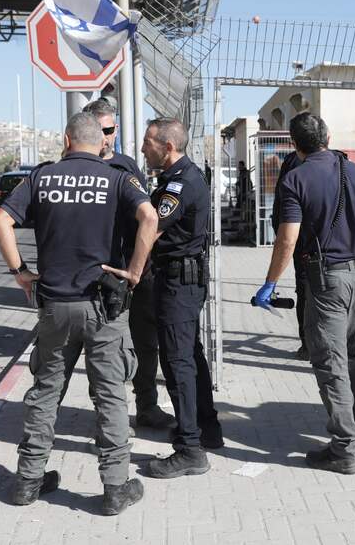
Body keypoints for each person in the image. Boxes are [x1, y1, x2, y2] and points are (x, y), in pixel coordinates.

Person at [0, 112, 158, 515]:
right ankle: (116, 487)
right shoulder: (118, 178)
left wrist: (20, 273)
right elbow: (150, 217)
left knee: (46, 392)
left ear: (66, 139)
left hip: (55, 305)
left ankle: (28, 480)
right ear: (101, 142)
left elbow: (0, 219)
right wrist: (134, 272)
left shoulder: (41, 177)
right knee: (110, 395)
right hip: (105, 306)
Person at [254, 112, 355, 475]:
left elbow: (287, 238)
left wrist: (270, 282)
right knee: (353, 356)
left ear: (295, 144)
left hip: (328, 283)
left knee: (331, 362)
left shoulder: (295, 178)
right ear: (327, 136)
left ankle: (344, 448)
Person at [137, 117, 223, 479]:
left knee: (177, 363)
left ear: (167, 147)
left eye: (148, 143)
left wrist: (132, 271)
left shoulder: (181, 183)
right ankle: (206, 428)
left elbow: (151, 227)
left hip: (178, 282)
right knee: (190, 355)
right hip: (181, 280)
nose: (143, 149)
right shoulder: (177, 178)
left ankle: (190, 449)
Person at [82, 99, 175, 429]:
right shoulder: (79, 169)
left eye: (113, 129)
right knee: (105, 349)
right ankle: (107, 416)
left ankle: (147, 405)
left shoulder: (127, 166)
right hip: (102, 275)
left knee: (146, 343)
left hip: (136, 269)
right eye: (104, 130)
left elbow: (148, 215)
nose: (109, 136)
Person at [271, 150, 309, 359]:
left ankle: (308, 346)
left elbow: (282, 202)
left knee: (305, 292)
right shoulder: (335, 162)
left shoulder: (293, 164)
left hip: (301, 241)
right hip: (327, 244)